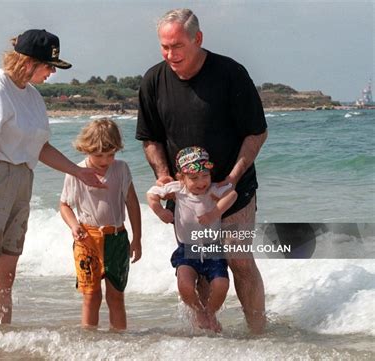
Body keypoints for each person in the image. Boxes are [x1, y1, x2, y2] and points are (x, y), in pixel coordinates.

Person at [0, 29, 105, 327]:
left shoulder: (33, 96)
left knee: (5, 277)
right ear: (27, 62)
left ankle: (0, 341)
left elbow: (40, 147)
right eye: (49, 66)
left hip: (22, 180)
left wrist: (77, 171)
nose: (51, 73)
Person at [135, 9, 268, 333]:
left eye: (177, 46)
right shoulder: (154, 80)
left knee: (238, 260)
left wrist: (233, 176)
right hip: (185, 195)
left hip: (231, 189)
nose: (170, 54)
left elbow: (256, 132)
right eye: (164, 47)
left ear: (198, 39)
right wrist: (163, 176)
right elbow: (150, 137)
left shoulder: (230, 74)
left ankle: (260, 334)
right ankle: (207, 339)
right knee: (200, 265)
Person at [60, 118, 142, 330]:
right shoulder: (76, 172)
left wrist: (137, 239)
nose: (105, 160)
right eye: (98, 155)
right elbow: (64, 206)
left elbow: (132, 204)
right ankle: (90, 344)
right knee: (91, 296)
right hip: (87, 240)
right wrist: (73, 225)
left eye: (111, 154)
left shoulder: (121, 169)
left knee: (116, 296)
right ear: (86, 149)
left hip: (117, 238)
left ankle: (119, 341)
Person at [147, 146, 237, 332]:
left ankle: (210, 313)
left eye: (205, 175)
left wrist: (215, 212)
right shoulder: (178, 190)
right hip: (187, 249)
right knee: (185, 285)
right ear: (181, 177)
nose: (201, 182)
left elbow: (232, 194)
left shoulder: (213, 189)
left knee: (222, 284)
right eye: (194, 178)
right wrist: (160, 211)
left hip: (212, 248)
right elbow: (151, 195)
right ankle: (198, 311)